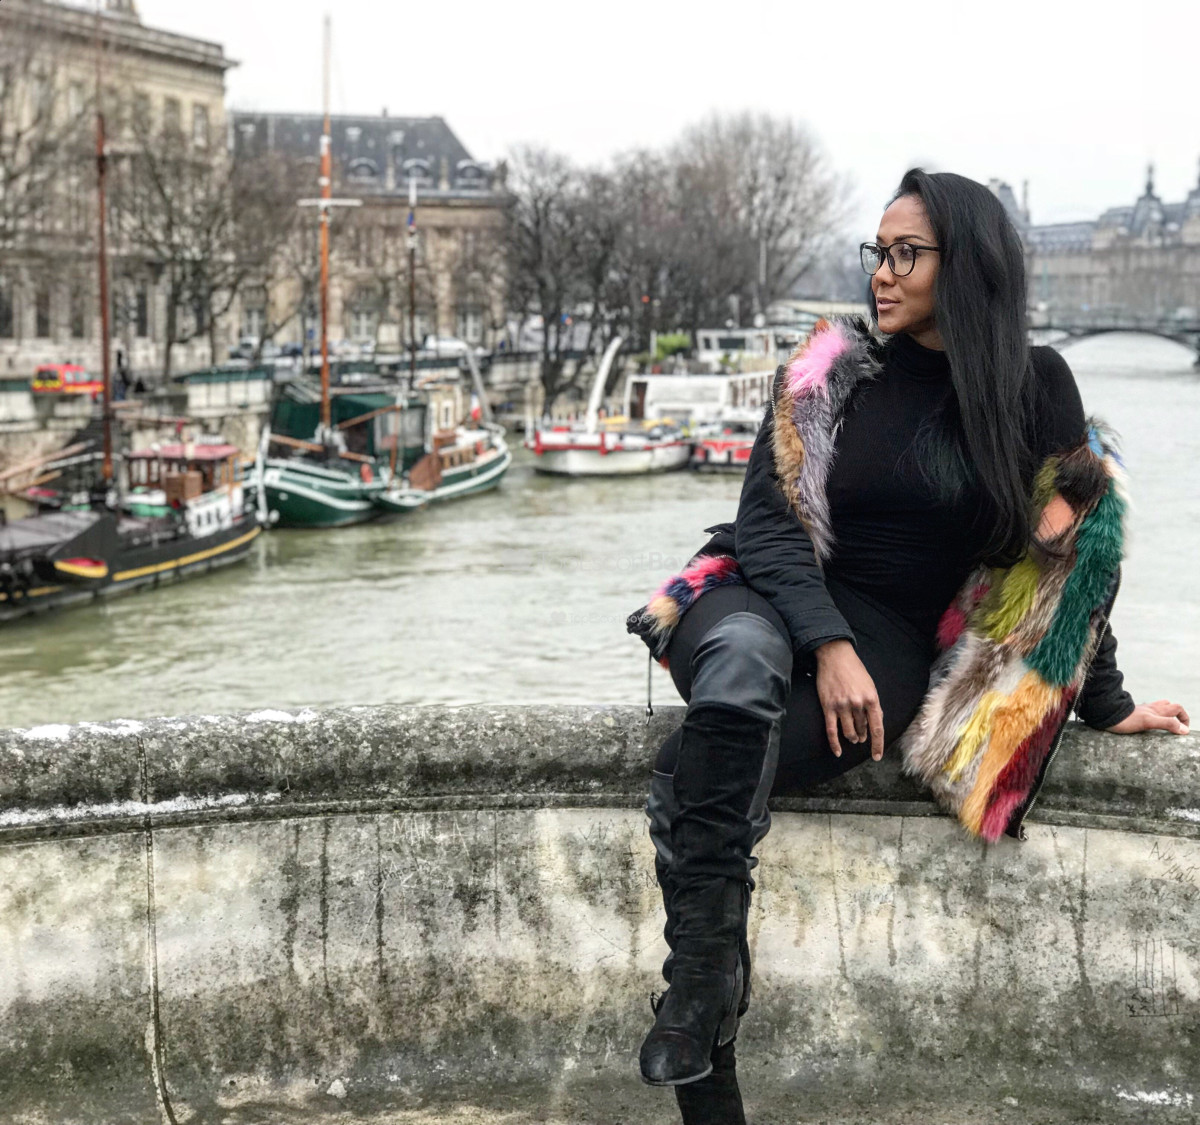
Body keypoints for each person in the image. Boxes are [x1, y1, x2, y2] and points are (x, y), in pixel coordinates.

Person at [625, 168, 1190, 1125]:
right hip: (760, 596)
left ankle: (708, 1008)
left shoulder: (1033, 386)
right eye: (877, 253)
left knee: (698, 762)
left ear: (963, 265)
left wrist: (1107, 700)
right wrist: (827, 642)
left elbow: (1073, 561)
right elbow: (766, 525)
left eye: (905, 255)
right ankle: (704, 989)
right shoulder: (828, 369)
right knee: (741, 672)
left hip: (892, 639)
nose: (880, 273)